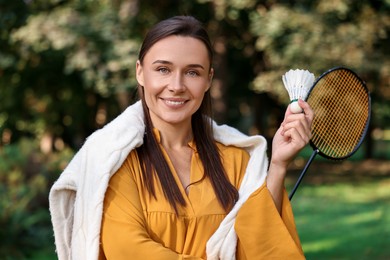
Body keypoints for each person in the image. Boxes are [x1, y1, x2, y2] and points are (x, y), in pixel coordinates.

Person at [49, 15, 314, 260]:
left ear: (208, 79)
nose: (176, 86)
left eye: (192, 72)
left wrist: (278, 164)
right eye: (163, 69)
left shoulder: (236, 159)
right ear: (140, 72)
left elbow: (257, 248)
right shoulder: (113, 157)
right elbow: (128, 249)